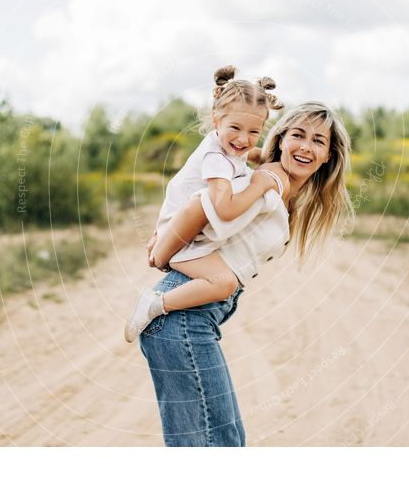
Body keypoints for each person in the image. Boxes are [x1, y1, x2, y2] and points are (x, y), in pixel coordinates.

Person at [138, 102, 354, 446]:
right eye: (297, 135)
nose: (305, 147)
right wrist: (162, 248)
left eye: (317, 141)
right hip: (181, 321)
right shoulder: (264, 182)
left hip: (191, 321)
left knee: (220, 440)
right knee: (218, 443)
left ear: (328, 155)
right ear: (281, 140)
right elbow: (198, 203)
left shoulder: (282, 190)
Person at [124, 65, 284, 343]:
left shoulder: (229, 147)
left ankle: (157, 301)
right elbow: (225, 208)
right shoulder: (216, 160)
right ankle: (154, 304)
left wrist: (264, 157)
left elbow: (249, 153)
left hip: (182, 228)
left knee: (226, 279)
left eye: (253, 132)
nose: (243, 139)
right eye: (235, 128)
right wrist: (261, 184)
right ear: (215, 120)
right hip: (179, 237)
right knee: (224, 283)